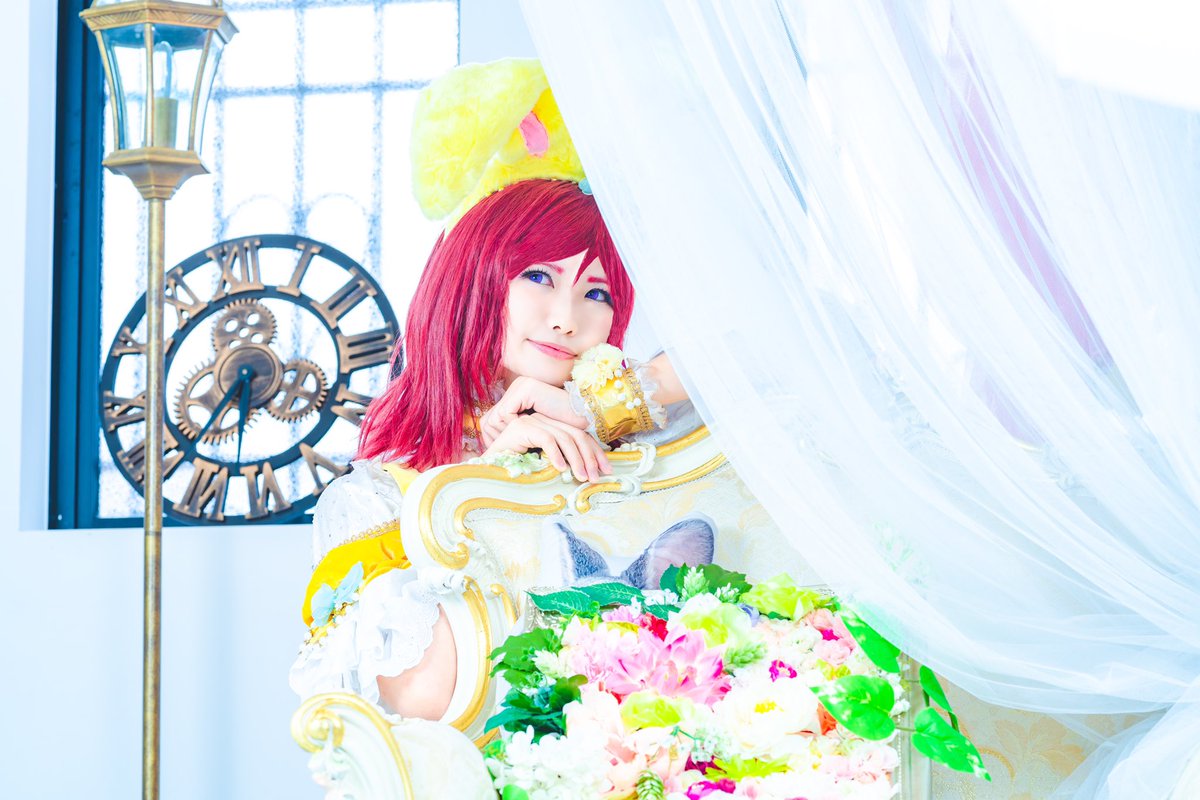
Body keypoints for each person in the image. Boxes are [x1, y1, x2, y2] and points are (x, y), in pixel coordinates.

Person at [289, 59, 695, 721]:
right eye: (539, 276)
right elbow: (425, 705)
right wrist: (482, 489)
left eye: (596, 292)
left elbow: (775, 361)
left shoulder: (637, 444)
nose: (567, 317)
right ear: (469, 278)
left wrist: (602, 405)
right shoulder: (375, 500)